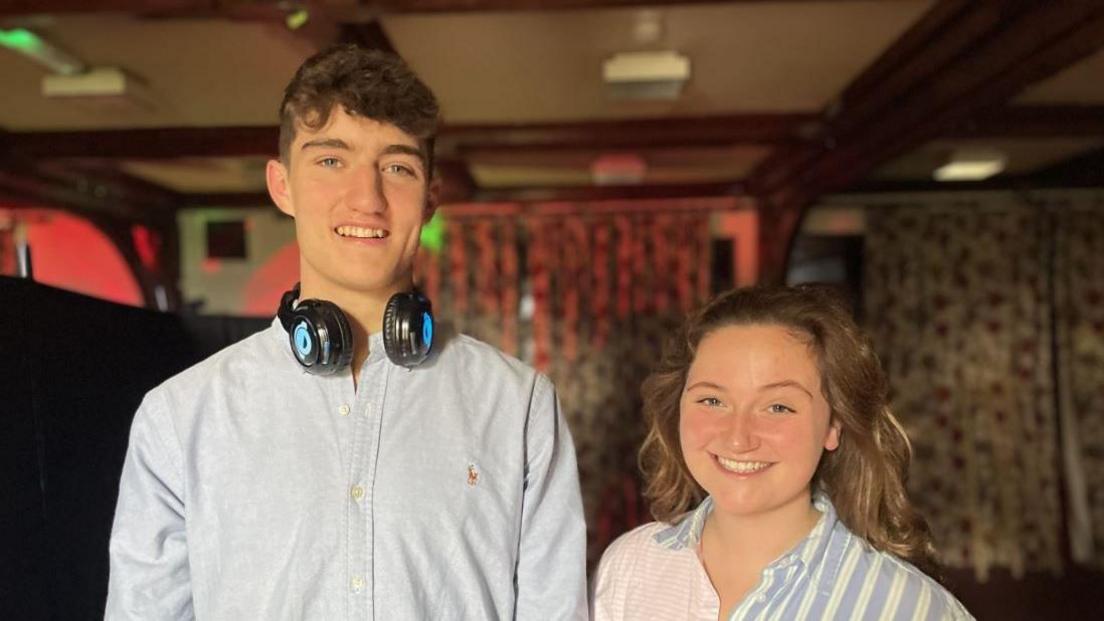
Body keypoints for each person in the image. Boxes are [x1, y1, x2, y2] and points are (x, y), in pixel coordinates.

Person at [106, 45, 587, 620]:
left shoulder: (519, 406)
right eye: (331, 160)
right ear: (281, 184)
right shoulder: (179, 418)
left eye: (398, 167)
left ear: (430, 198)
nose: (368, 198)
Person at [591, 285, 972, 620]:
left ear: (833, 425)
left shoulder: (908, 609)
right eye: (712, 400)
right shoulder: (630, 567)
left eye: (778, 407)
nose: (738, 438)